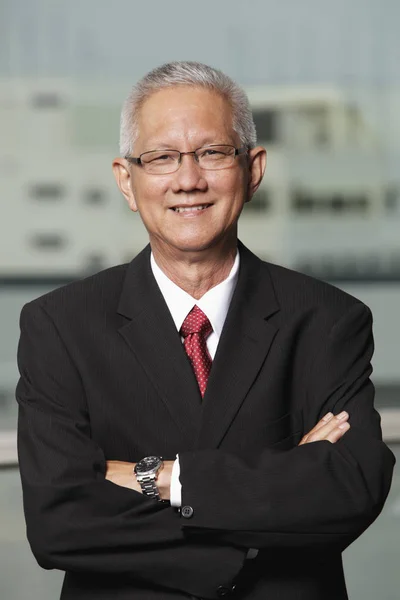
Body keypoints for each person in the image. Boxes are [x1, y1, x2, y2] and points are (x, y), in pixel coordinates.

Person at [16, 61, 395, 600]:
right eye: (161, 157)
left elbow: (348, 490)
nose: (188, 179)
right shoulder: (60, 324)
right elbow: (60, 524)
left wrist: (164, 478)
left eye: (213, 153)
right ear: (127, 180)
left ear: (253, 169)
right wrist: (275, 499)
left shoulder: (328, 319)